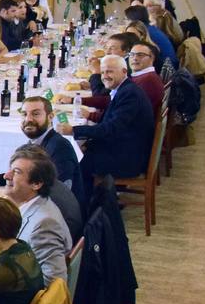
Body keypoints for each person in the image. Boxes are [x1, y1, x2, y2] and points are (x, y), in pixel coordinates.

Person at [57, 54, 154, 206]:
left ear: (124, 71)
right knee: (80, 151)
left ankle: (82, 209)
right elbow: (111, 122)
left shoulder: (130, 94)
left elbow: (110, 129)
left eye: (109, 72)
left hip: (128, 159)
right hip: (127, 147)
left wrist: (74, 130)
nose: (104, 76)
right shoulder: (125, 89)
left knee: (75, 161)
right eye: (102, 72)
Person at [0, 148, 72, 285]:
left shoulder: (44, 224)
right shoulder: (33, 206)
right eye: (10, 170)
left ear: (36, 184)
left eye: (16, 172)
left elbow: (54, 285)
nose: (6, 176)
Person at [0, 97, 79, 190]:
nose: (28, 119)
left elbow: (58, 191)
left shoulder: (60, 147)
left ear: (50, 117)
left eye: (35, 114)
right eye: (24, 114)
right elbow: (23, 175)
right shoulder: (34, 142)